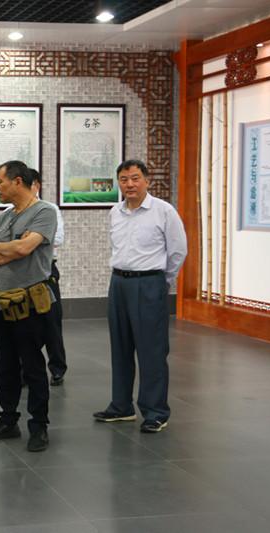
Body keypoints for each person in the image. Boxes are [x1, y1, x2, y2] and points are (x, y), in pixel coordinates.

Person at [93, 159, 187, 433]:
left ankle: (156, 411)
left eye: (135, 178)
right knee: (120, 347)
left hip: (149, 284)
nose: (130, 184)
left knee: (151, 351)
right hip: (118, 283)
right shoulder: (115, 211)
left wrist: (161, 282)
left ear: (147, 180)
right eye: (124, 179)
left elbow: (178, 251)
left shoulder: (163, 211)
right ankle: (121, 406)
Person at [0, 160, 57, 452]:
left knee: (33, 366)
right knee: (6, 365)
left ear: (18, 182)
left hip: (30, 304)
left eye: (0, 181)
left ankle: (39, 426)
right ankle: (8, 421)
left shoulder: (44, 212)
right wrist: (11, 247)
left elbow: (25, 247)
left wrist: (7, 247)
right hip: (2, 302)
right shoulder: (5, 216)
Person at [30, 169, 68, 386]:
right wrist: (38, 237)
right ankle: (27, 370)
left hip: (46, 271)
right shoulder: (9, 211)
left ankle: (57, 368)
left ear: (36, 185)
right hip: (23, 272)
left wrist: (28, 240)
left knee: (51, 321)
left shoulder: (50, 209)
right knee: (24, 324)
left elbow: (58, 238)